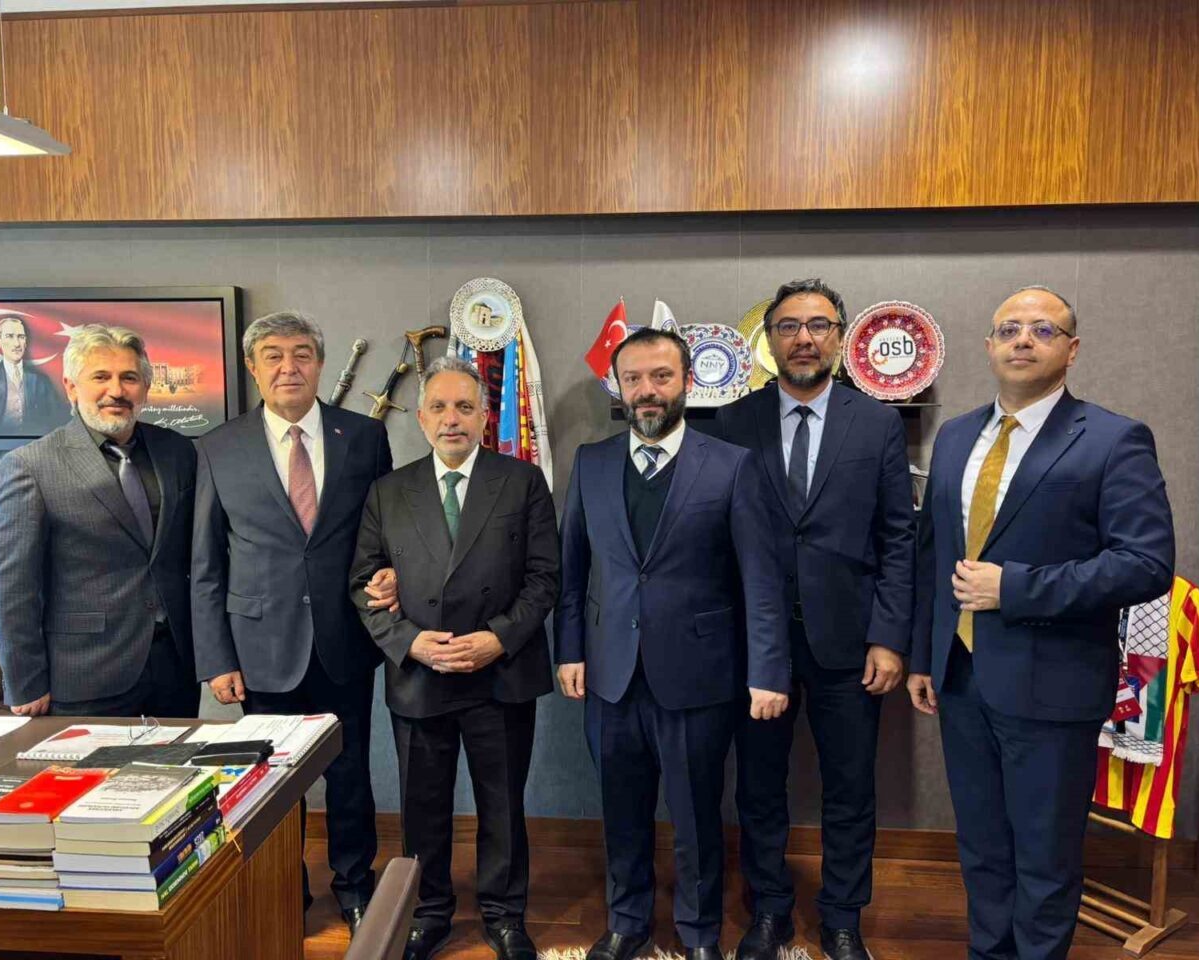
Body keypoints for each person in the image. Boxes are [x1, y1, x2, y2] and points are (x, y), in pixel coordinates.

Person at [908, 287, 1174, 960]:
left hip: (1054, 685)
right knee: (982, 848)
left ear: (1072, 349)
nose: (1023, 339)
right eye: (1009, 329)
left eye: (1043, 330)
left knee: (1045, 859)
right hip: (962, 679)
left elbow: (1145, 565)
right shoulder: (956, 436)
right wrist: (923, 656)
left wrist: (1016, 588)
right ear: (989, 346)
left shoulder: (1114, 439)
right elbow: (932, 554)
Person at [555, 328, 789, 960]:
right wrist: (569, 650)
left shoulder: (732, 465)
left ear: (686, 381)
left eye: (661, 376)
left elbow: (761, 581)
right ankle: (627, 922)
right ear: (618, 387)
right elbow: (572, 570)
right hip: (609, 675)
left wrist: (768, 671)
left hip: (699, 676)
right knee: (621, 812)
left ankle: (699, 932)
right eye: (633, 379)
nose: (647, 391)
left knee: (696, 817)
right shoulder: (592, 462)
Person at [715, 279, 915, 960]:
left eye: (818, 325)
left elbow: (898, 537)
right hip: (755, 643)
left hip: (851, 643)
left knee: (851, 788)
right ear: (769, 340)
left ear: (840, 336)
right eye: (789, 326)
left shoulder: (878, 423)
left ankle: (842, 917)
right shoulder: (731, 423)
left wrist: (889, 636)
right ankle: (769, 910)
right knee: (759, 785)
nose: (804, 338)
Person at [191, 310, 397, 935]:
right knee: (271, 783)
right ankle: (285, 888)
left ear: (320, 363)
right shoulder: (218, 447)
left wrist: (392, 574)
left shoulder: (364, 437)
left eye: (302, 354)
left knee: (350, 774)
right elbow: (205, 563)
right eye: (274, 355)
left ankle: (355, 885)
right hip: (260, 646)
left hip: (344, 639)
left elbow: (387, 533)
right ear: (252, 368)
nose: (289, 367)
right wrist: (216, 659)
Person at [351, 357, 560, 960]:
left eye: (465, 407)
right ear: (420, 419)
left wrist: (498, 638)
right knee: (423, 807)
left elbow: (545, 578)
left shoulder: (522, 482)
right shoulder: (388, 492)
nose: (452, 419)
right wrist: (409, 642)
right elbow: (363, 583)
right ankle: (428, 911)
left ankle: (504, 915)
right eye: (439, 407)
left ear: (485, 417)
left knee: (503, 804)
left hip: (500, 672)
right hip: (421, 675)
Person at [0, 324, 199, 718]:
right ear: (71, 387)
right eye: (100, 377)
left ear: (145, 388)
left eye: (129, 378)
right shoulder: (31, 465)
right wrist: (24, 681)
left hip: (174, 668)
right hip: (85, 673)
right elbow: (11, 588)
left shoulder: (177, 451)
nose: (116, 390)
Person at [0, 314, 63, 435]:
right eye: (10, 336)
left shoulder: (41, 381)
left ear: (25, 342)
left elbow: (54, 421)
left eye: (21, 337)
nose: (17, 344)